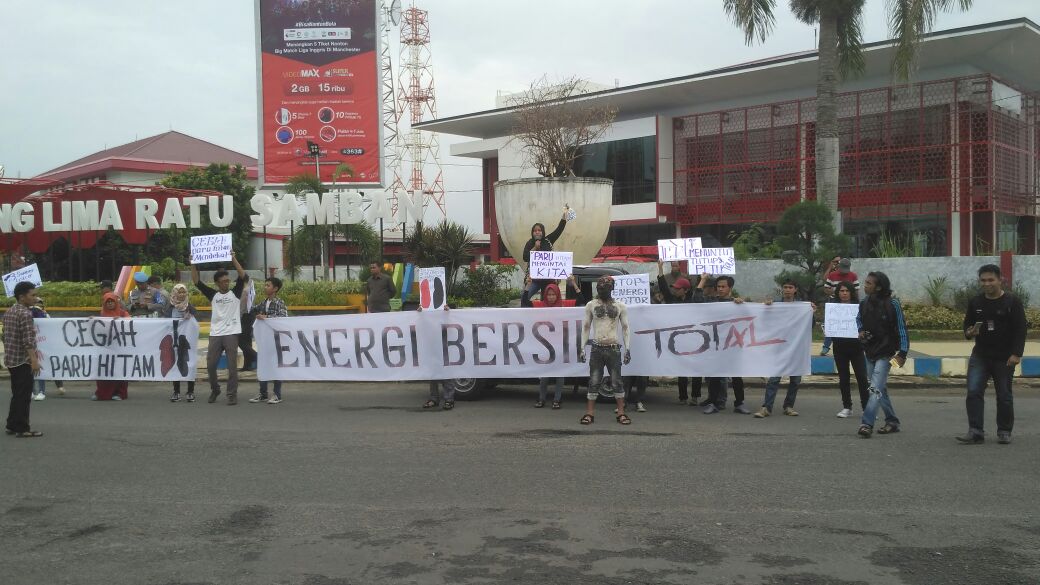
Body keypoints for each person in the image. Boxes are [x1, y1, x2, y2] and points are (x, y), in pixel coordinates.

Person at [956, 264, 1027, 445]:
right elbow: (967, 326)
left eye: (990, 280)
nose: (987, 283)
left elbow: (1021, 330)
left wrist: (1016, 354)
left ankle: (1004, 431)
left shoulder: (1012, 302)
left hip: (1004, 357)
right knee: (973, 392)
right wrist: (969, 332)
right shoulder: (976, 302)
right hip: (980, 355)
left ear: (1000, 280)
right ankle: (975, 431)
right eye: (983, 280)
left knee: (1004, 395)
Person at [856, 271, 908, 438]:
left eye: (869, 283)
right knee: (879, 388)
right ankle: (892, 421)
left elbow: (901, 328)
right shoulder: (863, 303)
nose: (865, 286)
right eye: (865, 282)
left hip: (887, 353)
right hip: (869, 351)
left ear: (878, 287)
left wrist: (903, 352)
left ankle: (866, 423)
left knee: (875, 389)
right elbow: (858, 320)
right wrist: (861, 331)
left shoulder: (892, 303)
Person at [192, 252, 247, 405]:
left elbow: (243, 276)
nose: (226, 283)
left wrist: (233, 258)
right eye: (223, 281)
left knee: (232, 367)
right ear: (216, 283)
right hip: (215, 333)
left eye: (227, 281)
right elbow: (196, 281)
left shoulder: (235, 293)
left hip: (231, 333)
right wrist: (192, 263)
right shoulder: (213, 295)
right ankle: (215, 389)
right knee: (210, 365)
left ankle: (231, 394)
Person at [579, 275, 632, 425]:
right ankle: (589, 413)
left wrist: (628, 348)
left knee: (617, 382)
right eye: (600, 285)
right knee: (594, 381)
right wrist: (582, 348)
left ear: (612, 288)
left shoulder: (620, 306)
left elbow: (626, 328)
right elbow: (586, 327)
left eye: (606, 285)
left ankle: (621, 413)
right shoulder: (591, 305)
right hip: (597, 348)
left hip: (613, 348)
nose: (602, 287)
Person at [754, 280, 809, 418]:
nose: (788, 290)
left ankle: (789, 406)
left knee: (795, 380)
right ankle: (767, 407)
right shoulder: (775, 305)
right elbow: (764, 320)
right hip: (778, 347)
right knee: (774, 379)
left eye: (790, 287)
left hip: (796, 347)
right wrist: (766, 308)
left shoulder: (802, 306)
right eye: (785, 287)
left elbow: (810, 323)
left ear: (795, 289)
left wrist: (811, 311)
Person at [695, 275, 749, 414]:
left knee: (737, 376)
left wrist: (742, 304)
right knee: (714, 376)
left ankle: (739, 403)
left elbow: (751, 316)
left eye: (723, 286)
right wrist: (702, 280)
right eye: (718, 286)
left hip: (733, 345)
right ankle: (713, 403)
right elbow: (696, 300)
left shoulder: (737, 304)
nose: (720, 289)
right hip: (716, 345)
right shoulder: (712, 302)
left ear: (730, 288)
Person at [522, 280, 574, 410]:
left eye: (553, 294)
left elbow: (581, 302)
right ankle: (541, 398)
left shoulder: (565, 305)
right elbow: (524, 303)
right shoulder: (540, 305)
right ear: (545, 295)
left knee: (560, 376)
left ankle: (557, 400)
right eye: (548, 294)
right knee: (544, 376)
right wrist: (528, 286)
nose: (551, 297)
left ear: (557, 295)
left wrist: (573, 283)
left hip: (561, 347)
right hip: (545, 348)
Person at [821, 281, 869, 417]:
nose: (844, 293)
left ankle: (866, 408)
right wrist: (828, 330)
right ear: (838, 293)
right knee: (843, 378)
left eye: (847, 291)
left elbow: (865, 323)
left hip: (857, 347)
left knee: (862, 377)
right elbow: (828, 324)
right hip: (839, 347)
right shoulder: (833, 307)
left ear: (851, 292)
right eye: (841, 291)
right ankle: (847, 407)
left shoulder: (859, 307)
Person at [656, 260, 699, 405]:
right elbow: (663, 288)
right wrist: (660, 269)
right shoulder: (671, 300)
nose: (675, 290)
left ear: (685, 290)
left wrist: (702, 276)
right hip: (679, 340)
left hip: (695, 339)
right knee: (682, 370)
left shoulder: (694, 301)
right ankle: (683, 397)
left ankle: (695, 396)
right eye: (674, 287)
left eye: (678, 288)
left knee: (696, 370)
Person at [4, 281, 43, 438]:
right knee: (24, 395)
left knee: (17, 394)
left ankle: (12, 424)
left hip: (11, 359)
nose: (35, 298)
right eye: (32, 295)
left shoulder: (9, 311)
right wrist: (33, 360)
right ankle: (22, 428)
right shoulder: (25, 314)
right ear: (22, 297)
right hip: (22, 360)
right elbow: (28, 340)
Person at [249, 277, 289, 405]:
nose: (265, 287)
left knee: (276, 366)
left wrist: (266, 317)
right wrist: (248, 297)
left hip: (275, 340)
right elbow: (252, 309)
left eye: (268, 285)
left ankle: (277, 394)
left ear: (275, 288)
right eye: (265, 285)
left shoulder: (279, 302)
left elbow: (283, 317)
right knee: (263, 365)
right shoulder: (264, 302)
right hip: (265, 340)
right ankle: (263, 393)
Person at [522, 210, 570, 298]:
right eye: (535, 231)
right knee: (524, 297)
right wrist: (535, 248)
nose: (537, 232)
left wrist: (564, 217)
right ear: (532, 233)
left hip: (548, 280)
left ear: (543, 232)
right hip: (534, 280)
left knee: (547, 301)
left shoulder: (548, 240)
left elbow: (559, 230)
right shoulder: (530, 243)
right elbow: (525, 257)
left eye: (539, 230)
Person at [163, 284, 198, 403]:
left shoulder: (189, 307)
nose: (182, 294)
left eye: (184, 292)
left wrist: (189, 315)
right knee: (174, 365)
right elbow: (165, 323)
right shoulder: (170, 308)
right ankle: (176, 392)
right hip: (174, 341)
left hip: (187, 343)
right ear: (175, 293)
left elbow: (195, 318)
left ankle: (190, 392)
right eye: (180, 292)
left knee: (189, 364)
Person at [93, 293, 131, 401]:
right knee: (103, 368)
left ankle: (120, 393)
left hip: (119, 346)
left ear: (116, 302)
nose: (110, 304)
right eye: (107, 302)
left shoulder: (123, 313)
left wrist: (121, 320)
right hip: (106, 346)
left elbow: (130, 321)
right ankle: (101, 393)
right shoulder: (102, 314)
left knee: (119, 369)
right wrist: (91, 321)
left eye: (112, 301)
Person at [419, 303, 454, 410]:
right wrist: (419, 313)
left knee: (446, 372)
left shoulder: (444, 307)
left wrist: (449, 312)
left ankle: (449, 399)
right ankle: (434, 399)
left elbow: (453, 321)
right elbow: (421, 322)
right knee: (433, 373)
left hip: (445, 343)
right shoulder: (425, 307)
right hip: (432, 343)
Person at [30, 298, 64, 400]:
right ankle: (31, 391)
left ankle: (41, 391)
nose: (38, 306)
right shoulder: (27, 314)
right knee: (31, 369)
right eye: (37, 304)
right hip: (31, 345)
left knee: (43, 367)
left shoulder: (46, 315)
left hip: (44, 346)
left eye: (40, 305)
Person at [238, 276, 258, 371]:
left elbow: (243, 305)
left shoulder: (246, 290)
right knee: (247, 340)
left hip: (245, 315)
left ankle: (255, 356)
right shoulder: (250, 288)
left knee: (239, 339)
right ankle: (247, 364)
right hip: (248, 315)